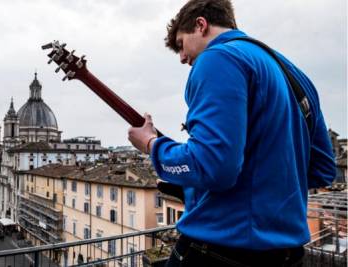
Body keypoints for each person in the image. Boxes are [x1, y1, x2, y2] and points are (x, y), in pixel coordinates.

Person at [127, 0, 336, 266]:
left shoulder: (218, 58)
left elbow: (213, 164)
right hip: (287, 254)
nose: (182, 58)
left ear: (201, 25)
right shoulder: (293, 73)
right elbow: (322, 169)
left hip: (221, 249)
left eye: (181, 45)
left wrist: (152, 144)